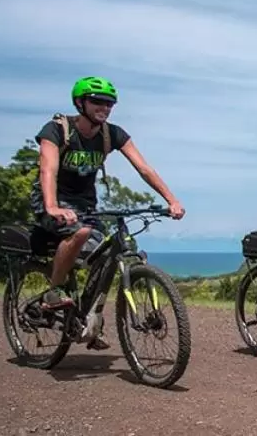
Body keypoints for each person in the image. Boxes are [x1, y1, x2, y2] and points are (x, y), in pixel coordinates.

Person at [33, 76, 186, 348]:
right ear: (80, 103)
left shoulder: (112, 134)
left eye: (109, 104)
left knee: (109, 252)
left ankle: (88, 317)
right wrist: (52, 206)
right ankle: (53, 292)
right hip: (51, 200)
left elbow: (144, 168)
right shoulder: (57, 130)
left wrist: (171, 199)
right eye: (97, 102)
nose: (104, 108)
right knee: (80, 232)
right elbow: (48, 169)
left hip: (85, 205)